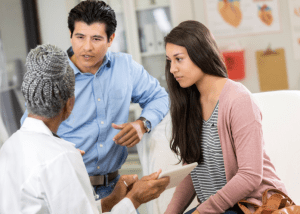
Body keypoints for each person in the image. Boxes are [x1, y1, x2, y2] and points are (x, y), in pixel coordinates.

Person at [20, 0, 169, 200]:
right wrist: (57, 149)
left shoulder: (125, 67)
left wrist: (142, 124)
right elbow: (29, 129)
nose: (87, 47)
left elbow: (159, 97)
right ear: (71, 35)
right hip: (67, 188)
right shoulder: (53, 75)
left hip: (114, 186)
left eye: (97, 38)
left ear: (111, 39)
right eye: (80, 37)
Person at [0, 44, 169, 214]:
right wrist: (134, 199)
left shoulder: (10, 147)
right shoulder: (62, 156)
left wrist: (110, 202)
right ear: (70, 103)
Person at [163, 20, 287, 214]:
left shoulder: (238, 100)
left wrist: (201, 211)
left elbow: (250, 175)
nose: (172, 69)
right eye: (170, 61)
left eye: (179, 59)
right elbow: (192, 170)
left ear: (200, 53)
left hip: (253, 205)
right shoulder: (190, 103)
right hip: (219, 208)